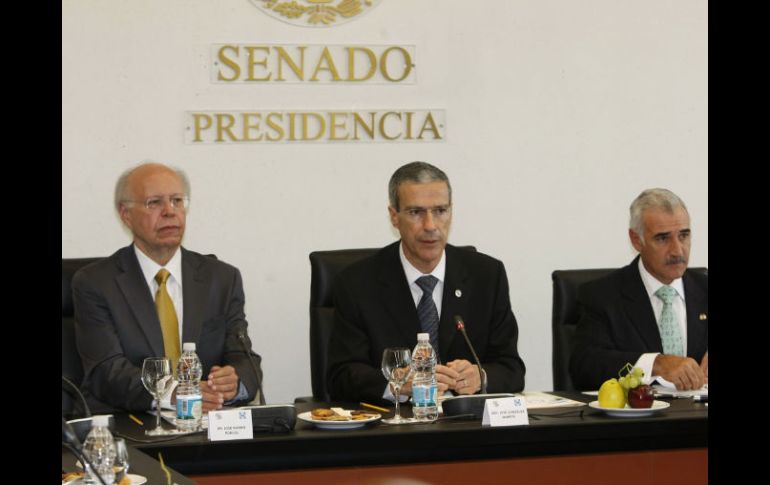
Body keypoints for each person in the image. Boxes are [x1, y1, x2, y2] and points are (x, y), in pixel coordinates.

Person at [327, 161, 526, 403]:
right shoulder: (357, 282)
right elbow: (341, 375)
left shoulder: (486, 275)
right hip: (394, 431)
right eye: (415, 212)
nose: (430, 225)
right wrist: (396, 384)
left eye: (440, 211)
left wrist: (480, 377)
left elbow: (511, 368)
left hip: (468, 429)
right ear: (394, 217)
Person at [72, 161, 263, 413]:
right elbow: (105, 371)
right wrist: (173, 394)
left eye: (177, 201)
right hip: (133, 427)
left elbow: (244, 356)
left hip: (207, 430)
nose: (169, 211)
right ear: (125, 214)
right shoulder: (96, 283)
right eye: (154, 203)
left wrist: (235, 381)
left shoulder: (222, 278)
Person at [569, 188, 708, 391]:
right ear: (636, 240)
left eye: (684, 235)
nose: (678, 250)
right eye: (662, 238)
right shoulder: (601, 296)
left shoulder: (705, 289)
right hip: (638, 420)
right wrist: (656, 364)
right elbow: (585, 367)